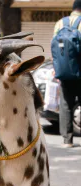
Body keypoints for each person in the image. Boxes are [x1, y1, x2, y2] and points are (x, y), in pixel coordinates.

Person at [54, 0, 81, 147]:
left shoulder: (59, 24)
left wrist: (57, 69)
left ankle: (67, 140)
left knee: (65, 105)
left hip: (64, 73)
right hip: (80, 72)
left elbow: (56, 52)